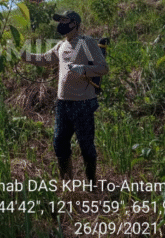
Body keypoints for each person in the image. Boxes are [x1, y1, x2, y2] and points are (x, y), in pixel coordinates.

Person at [22, 10, 108, 181]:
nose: (60, 24)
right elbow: (45, 58)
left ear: (74, 23)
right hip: (63, 104)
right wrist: (27, 57)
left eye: (64, 20)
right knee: (59, 143)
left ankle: (91, 184)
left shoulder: (87, 42)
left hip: (83, 103)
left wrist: (84, 69)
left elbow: (103, 68)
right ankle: (67, 182)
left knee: (86, 146)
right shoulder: (61, 45)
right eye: (59, 21)